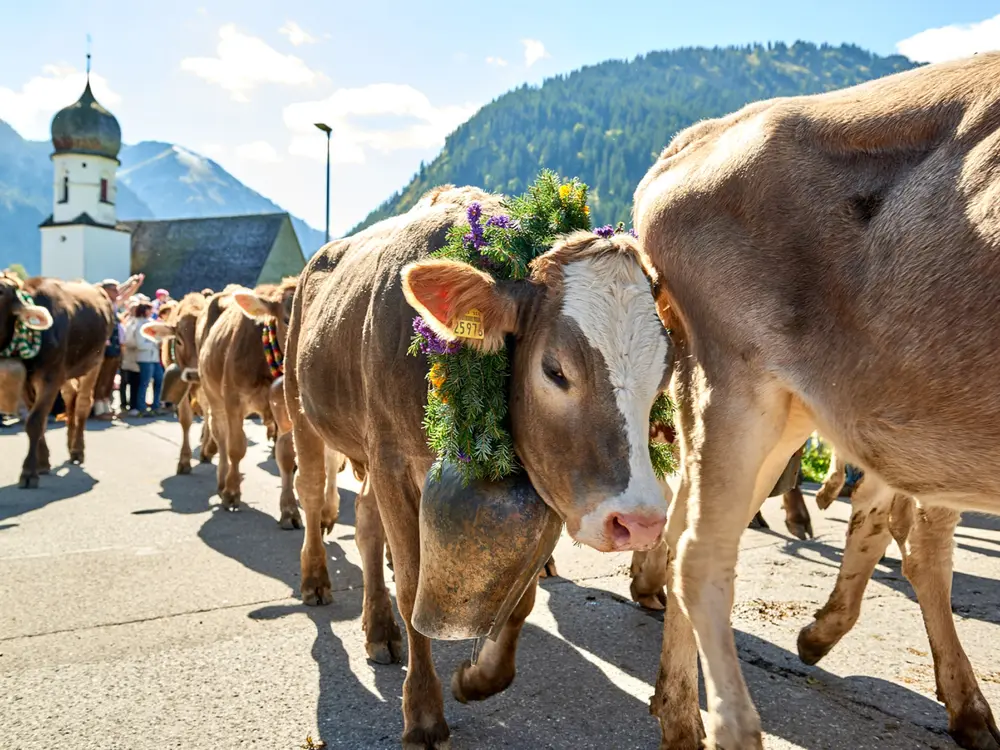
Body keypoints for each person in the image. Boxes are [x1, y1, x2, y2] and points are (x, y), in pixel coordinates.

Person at [125, 302, 165, 417]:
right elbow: (140, 344)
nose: (151, 312)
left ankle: (155, 405)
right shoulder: (138, 325)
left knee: (159, 380)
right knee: (144, 383)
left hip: (154, 357)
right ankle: (141, 407)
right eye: (149, 310)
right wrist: (154, 344)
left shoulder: (151, 323)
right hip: (144, 357)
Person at [120, 303, 141, 417]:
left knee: (133, 382)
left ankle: (132, 405)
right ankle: (125, 404)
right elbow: (127, 340)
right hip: (129, 356)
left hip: (133, 357)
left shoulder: (132, 322)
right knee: (126, 382)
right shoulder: (129, 323)